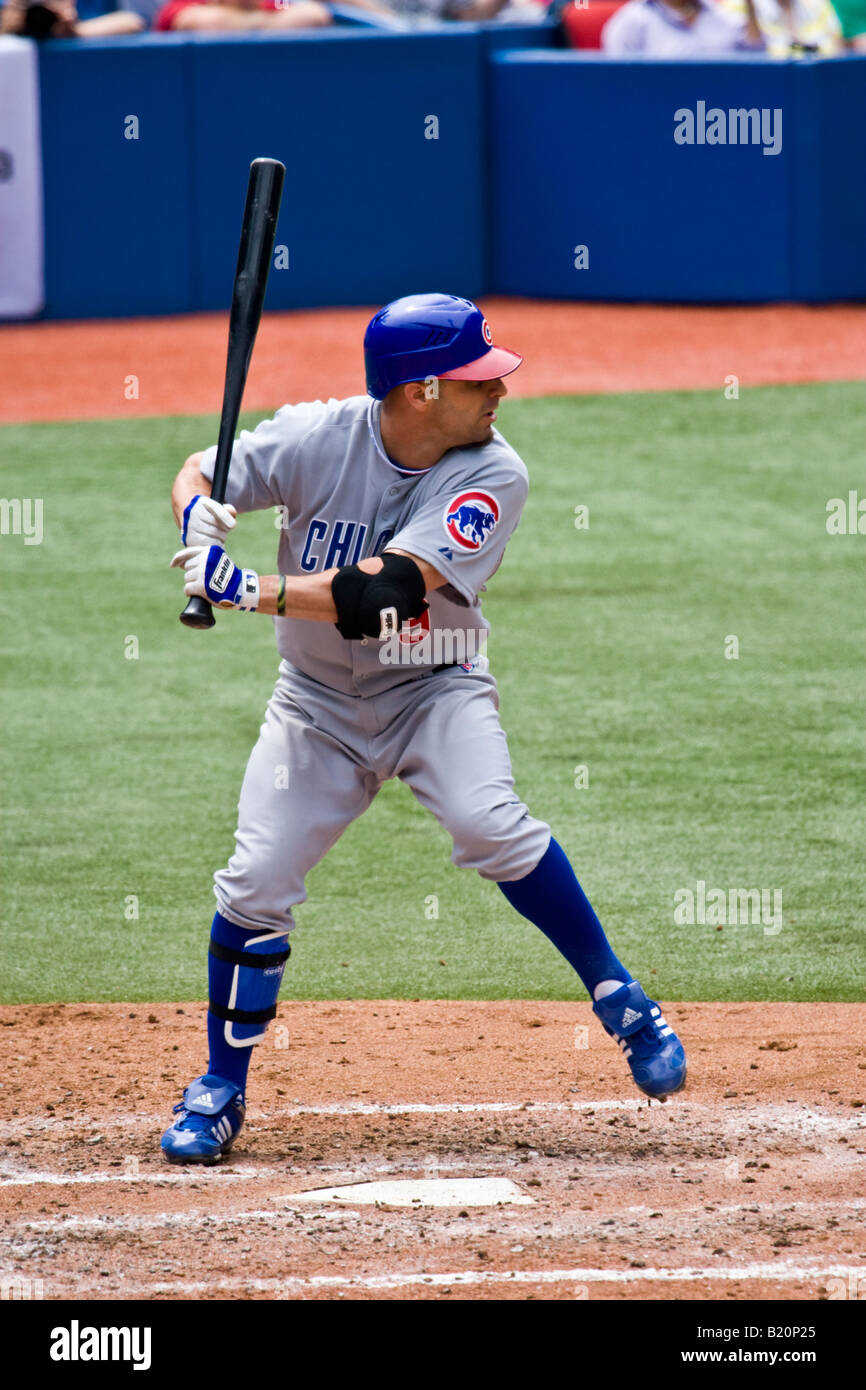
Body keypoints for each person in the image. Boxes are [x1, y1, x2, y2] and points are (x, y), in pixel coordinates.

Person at [162, 293, 687, 1165]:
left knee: (490, 823)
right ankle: (221, 1085)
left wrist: (246, 587)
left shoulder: (494, 472)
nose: (500, 392)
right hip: (317, 705)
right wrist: (195, 512)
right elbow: (198, 468)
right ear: (420, 391)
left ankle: (621, 998)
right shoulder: (311, 437)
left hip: (436, 687)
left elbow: (383, 597)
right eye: (479, 379)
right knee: (254, 882)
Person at [601, 0, 765, 54]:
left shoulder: (718, 14)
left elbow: (756, 54)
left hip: (723, 116)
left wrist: (751, 8)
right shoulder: (630, 23)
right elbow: (620, 87)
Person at [718, 0, 842, 53]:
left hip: (815, 85)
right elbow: (745, 52)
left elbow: (837, 47)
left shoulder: (817, 3)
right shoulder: (737, 5)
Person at [152, 0, 330, 32]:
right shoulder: (185, 5)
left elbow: (314, 15)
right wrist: (271, 25)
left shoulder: (274, 5)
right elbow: (204, 23)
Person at [0, 0, 144, 34]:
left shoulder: (88, 7)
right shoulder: (12, 10)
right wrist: (6, 29)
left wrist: (75, 31)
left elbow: (133, 22)